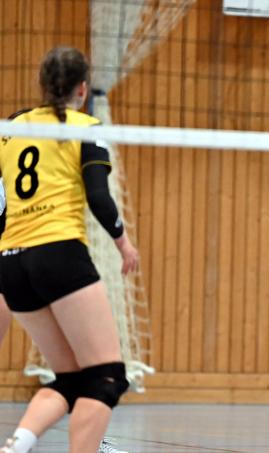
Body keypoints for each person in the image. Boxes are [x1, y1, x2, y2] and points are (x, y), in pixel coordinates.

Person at [0, 46, 138, 453]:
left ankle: (16, 446)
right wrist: (124, 244)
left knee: (73, 378)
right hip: (58, 251)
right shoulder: (84, 127)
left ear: (43, 86)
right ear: (82, 88)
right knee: (107, 376)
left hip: (10, 261)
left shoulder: (11, 127)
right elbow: (99, 197)